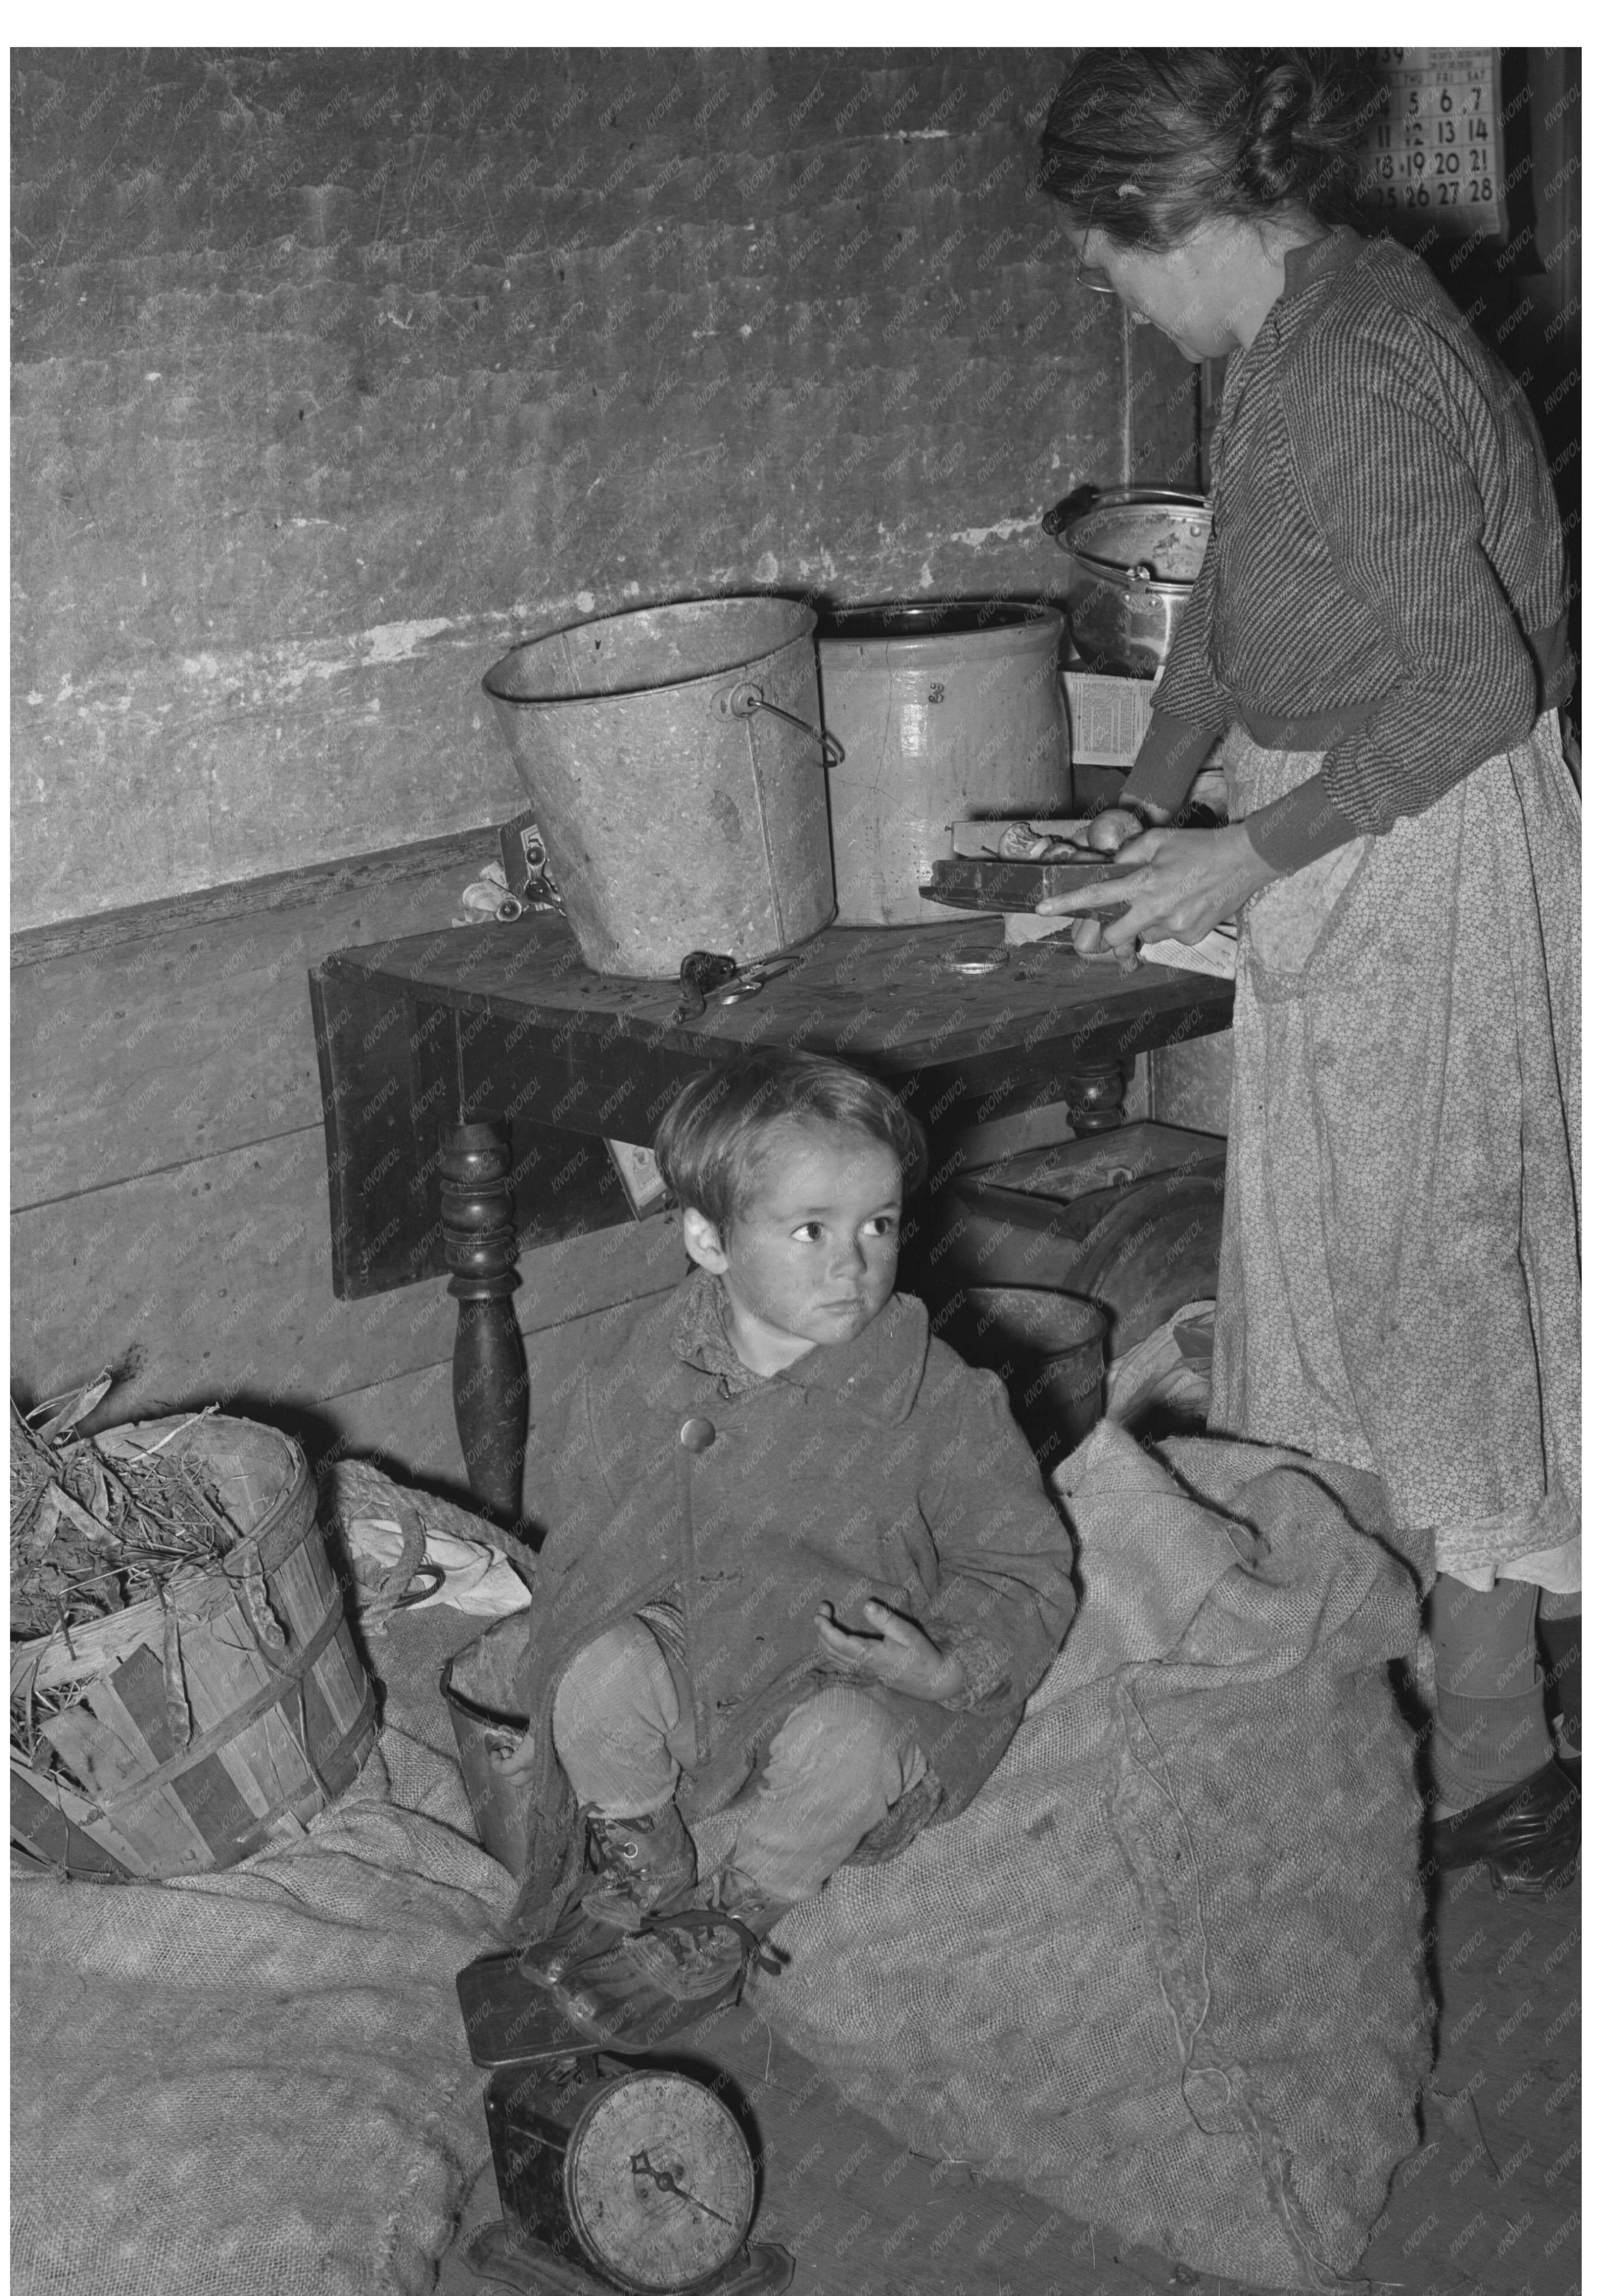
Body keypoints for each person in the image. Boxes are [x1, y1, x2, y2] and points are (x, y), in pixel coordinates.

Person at [1035, 50, 1580, 1892]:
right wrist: (1141, 803)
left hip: (1415, 853)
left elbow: (1469, 687)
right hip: (1348, 830)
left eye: (1105, 254)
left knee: (1424, 1312)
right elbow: (1235, 616)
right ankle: (1414, 1722)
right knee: (1361, 1308)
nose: (1103, 289)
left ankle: (1478, 1750)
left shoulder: (1342, 369)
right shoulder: (1280, 327)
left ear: (1177, 222)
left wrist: (1243, 850)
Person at [491, 1049, 1078, 2042]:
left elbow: (1023, 1567)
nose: (852, 1264)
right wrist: (603, 1634)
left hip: (850, 1671)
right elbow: (589, 1546)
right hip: (703, 1646)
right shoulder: (641, 1371)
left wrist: (944, 1664)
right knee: (594, 1674)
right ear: (709, 1239)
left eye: (878, 1225)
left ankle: (734, 1906)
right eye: (810, 1230)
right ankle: (641, 1847)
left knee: (850, 1749)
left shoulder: (935, 1397)